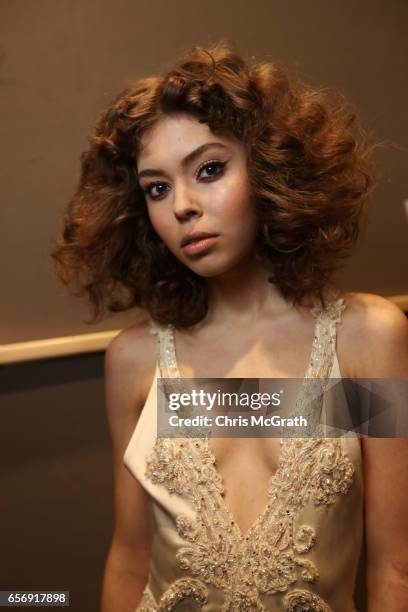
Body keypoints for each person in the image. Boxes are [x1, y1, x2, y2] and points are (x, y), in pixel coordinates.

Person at [51, 41, 408, 611]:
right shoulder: (137, 362)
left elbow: (394, 567)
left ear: (270, 167)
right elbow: (130, 556)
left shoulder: (365, 341)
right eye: (157, 188)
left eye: (209, 169)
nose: (183, 206)